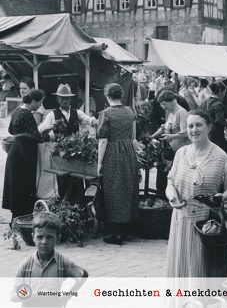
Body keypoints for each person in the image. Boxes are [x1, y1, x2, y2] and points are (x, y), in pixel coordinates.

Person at [166, 110, 227, 277]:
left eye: (199, 125)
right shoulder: (181, 153)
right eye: (190, 126)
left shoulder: (221, 157)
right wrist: (172, 197)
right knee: (181, 268)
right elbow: (170, 182)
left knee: (204, 271)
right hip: (181, 222)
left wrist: (223, 196)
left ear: (209, 127)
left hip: (208, 226)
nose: (194, 130)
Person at [11, 211, 88, 307]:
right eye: (39, 237)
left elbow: (83, 275)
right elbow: (13, 297)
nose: (44, 242)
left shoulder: (61, 262)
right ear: (33, 237)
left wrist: (66, 297)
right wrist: (38, 294)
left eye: (49, 237)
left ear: (58, 239)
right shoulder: (26, 265)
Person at [39, 83, 98, 199]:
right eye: (62, 98)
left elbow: (89, 120)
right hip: (61, 155)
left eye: (67, 98)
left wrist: (99, 121)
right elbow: (41, 131)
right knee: (64, 183)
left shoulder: (77, 113)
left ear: (71, 99)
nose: (65, 101)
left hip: (75, 153)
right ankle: (66, 205)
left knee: (77, 182)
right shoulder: (52, 115)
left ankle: (78, 206)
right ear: (58, 99)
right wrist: (51, 127)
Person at [97, 83, 139, 245]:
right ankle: (126, 228)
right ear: (120, 95)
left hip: (113, 152)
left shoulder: (106, 114)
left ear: (108, 97)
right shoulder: (130, 111)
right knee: (127, 186)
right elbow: (133, 136)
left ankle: (115, 233)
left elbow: (103, 140)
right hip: (128, 150)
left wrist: (99, 163)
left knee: (113, 188)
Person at [2, 90, 52, 219]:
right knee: (24, 185)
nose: (40, 106)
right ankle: (23, 218)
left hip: (15, 151)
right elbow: (35, 137)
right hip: (24, 154)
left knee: (16, 185)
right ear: (34, 101)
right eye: (40, 103)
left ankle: (16, 218)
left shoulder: (17, 111)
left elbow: (10, 130)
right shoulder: (27, 114)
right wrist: (48, 132)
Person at [151, 91, 191, 193]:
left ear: (171, 101)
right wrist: (151, 137)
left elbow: (186, 132)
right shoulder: (172, 113)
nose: (163, 107)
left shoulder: (181, 112)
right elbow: (164, 127)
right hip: (173, 150)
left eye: (164, 104)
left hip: (182, 151)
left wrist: (172, 136)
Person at [201, 82, 227, 153]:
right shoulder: (218, 104)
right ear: (219, 92)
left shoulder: (206, 101)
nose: (224, 94)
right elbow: (220, 120)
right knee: (219, 152)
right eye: (224, 92)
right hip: (216, 133)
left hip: (206, 131)